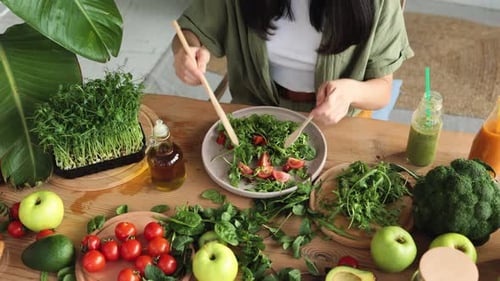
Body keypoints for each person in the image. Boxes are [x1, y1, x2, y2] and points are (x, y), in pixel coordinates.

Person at [172, 0, 414, 125]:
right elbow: (190, 33)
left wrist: (351, 91)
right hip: (254, 110)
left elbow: (383, 88)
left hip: (339, 121)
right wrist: (186, 51)